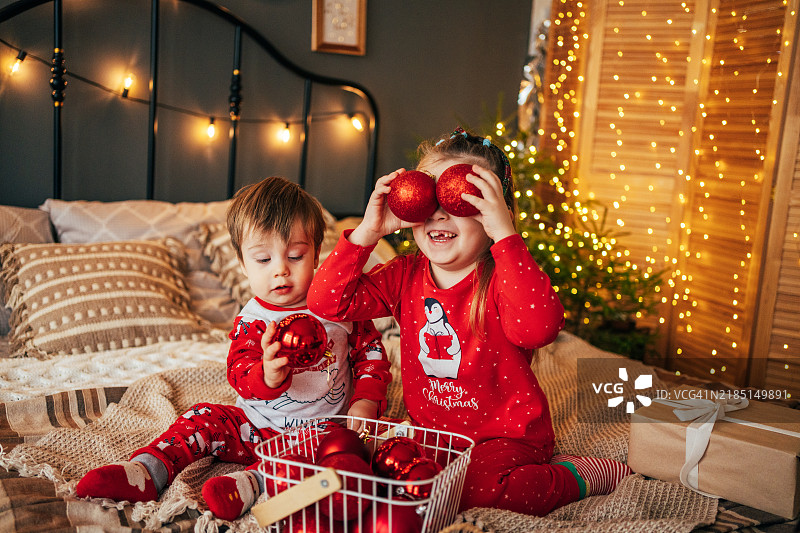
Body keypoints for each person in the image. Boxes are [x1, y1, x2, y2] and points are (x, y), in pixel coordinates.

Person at [307, 128, 632, 516]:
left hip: (505, 436)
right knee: (375, 471)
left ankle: (576, 474)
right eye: (426, 200)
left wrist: (506, 235)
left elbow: (540, 328)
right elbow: (326, 302)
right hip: (430, 433)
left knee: (475, 492)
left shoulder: (504, 279)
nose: (439, 213)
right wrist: (367, 231)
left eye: (461, 202)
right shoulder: (403, 275)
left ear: (495, 215)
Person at [76, 176, 391, 521]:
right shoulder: (253, 320)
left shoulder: (340, 305)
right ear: (242, 263)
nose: (281, 270)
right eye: (263, 259)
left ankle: (250, 484)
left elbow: (371, 354)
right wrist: (267, 375)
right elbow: (239, 372)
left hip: (321, 427)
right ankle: (147, 471)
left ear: (317, 254)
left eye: (296, 255)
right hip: (253, 425)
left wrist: (366, 401)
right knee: (202, 417)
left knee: (338, 450)